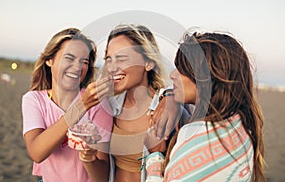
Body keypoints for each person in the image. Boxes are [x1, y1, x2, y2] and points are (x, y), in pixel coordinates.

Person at [145, 32, 265, 181]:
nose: (172, 75)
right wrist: (169, 96)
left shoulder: (203, 142)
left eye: (182, 69)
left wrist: (154, 157)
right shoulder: (238, 123)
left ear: (205, 78)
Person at [22, 28, 113, 182]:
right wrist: (82, 106)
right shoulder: (34, 100)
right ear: (49, 60)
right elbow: (36, 153)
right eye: (69, 58)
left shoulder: (99, 103)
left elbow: (102, 177)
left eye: (84, 61)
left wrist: (89, 159)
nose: (77, 67)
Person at [103, 24, 185, 182]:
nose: (112, 67)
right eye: (108, 59)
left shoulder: (168, 110)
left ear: (148, 63)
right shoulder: (109, 106)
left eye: (121, 58)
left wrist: (172, 97)